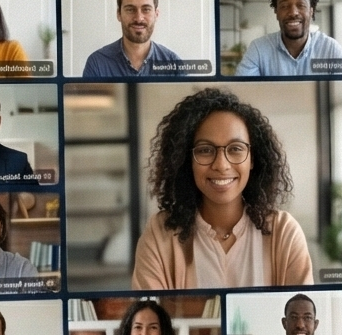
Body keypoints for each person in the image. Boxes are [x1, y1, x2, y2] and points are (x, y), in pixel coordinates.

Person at [131, 88, 314, 288]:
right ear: (186, 160)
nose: (221, 165)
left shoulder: (283, 233)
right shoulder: (160, 234)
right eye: (205, 150)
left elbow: (300, 309)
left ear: (253, 158)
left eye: (235, 149)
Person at [233, 0, 342, 76]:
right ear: (276, 12)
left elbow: (341, 97)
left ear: (311, 11)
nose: (293, 12)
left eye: (301, 5)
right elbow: (244, 93)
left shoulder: (332, 50)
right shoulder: (258, 49)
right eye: (284, 6)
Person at [79, 0, 193, 79]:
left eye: (146, 9)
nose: (139, 18)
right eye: (130, 9)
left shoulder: (173, 63)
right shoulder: (97, 63)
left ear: (156, 14)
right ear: (118, 14)